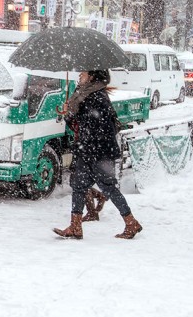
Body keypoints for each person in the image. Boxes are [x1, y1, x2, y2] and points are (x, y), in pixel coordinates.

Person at [54, 70, 144, 240]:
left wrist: (74, 115)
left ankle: (131, 222)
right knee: (79, 187)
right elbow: (79, 124)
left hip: (99, 152)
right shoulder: (84, 95)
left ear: (93, 76)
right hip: (87, 150)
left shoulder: (97, 97)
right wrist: (69, 113)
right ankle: (75, 226)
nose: (80, 75)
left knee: (108, 188)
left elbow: (97, 126)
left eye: (84, 73)